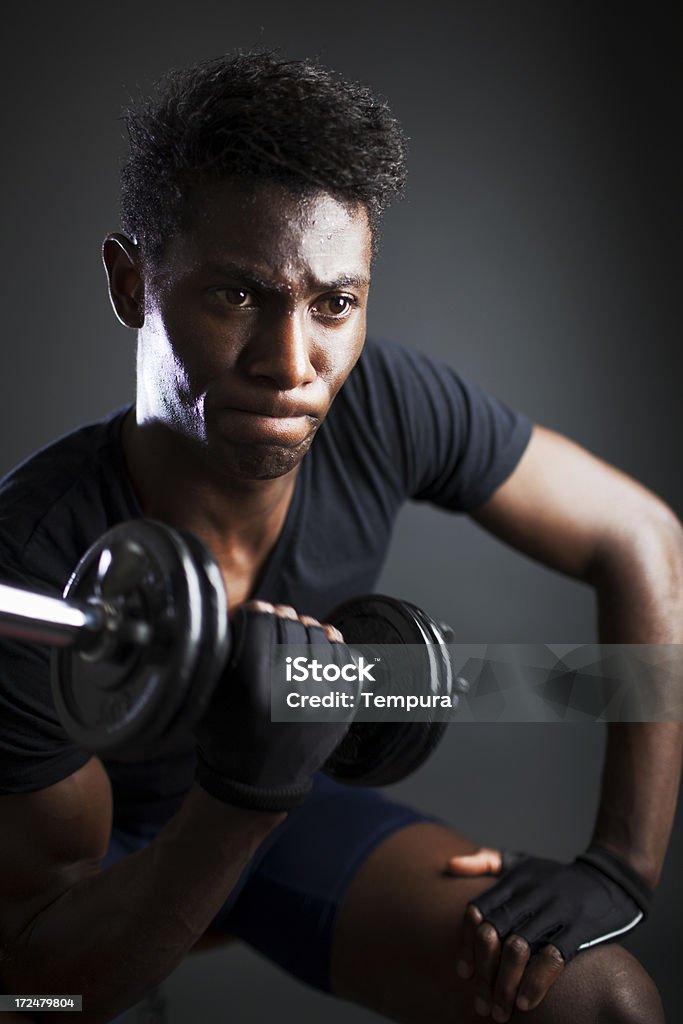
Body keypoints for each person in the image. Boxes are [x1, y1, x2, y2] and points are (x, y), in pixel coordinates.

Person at [0, 52, 681, 1024]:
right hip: (85, 880)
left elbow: (641, 534)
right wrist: (239, 792)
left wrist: (621, 864)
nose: (291, 365)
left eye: (333, 304)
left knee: (601, 999)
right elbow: (47, 983)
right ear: (130, 280)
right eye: (237, 295)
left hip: (282, 821)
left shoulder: (384, 404)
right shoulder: (30, 568)